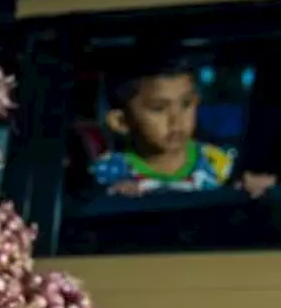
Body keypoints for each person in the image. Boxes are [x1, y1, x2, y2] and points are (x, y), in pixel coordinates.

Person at [93, 51, 275, 198]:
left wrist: (252, 187)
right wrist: (116, 198)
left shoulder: (220, 164)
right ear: (121, 121)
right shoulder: (105, 173)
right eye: (158, 108)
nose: (176, 119)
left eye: (186, 104)